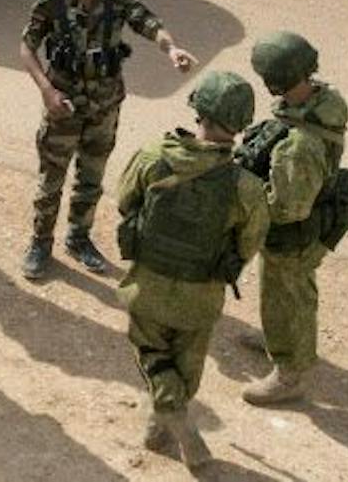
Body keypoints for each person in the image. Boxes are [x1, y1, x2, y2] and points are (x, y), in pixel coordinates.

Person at [19, 0, 196, 280]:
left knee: (92, 177)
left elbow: (147, 22)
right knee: (51, 179)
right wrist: (46, 91)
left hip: (104, 104)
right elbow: (26, 47)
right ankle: (40, 242)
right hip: (64, 106)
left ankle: (79, 237)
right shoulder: (51, 1)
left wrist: (170, 48)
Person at [115, 71, 269, 470]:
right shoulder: (246, 187)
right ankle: (163, 424)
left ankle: (173, 424)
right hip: (201, 296)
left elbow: (124, 200)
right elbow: (249, 243)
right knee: (186, 366)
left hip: (146, 287)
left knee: (151, 355)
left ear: (199, 112)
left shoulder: (154, 156)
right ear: (241, 124)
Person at [241, 30, 348, 407]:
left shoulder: (298, 146)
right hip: (312, 217)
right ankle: (279, 339)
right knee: (282, 292)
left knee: (289, 294)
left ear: (273, 83)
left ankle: (291, 372)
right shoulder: (325, 100)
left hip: (295, 234)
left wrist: (248, 206)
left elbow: (289, 209)